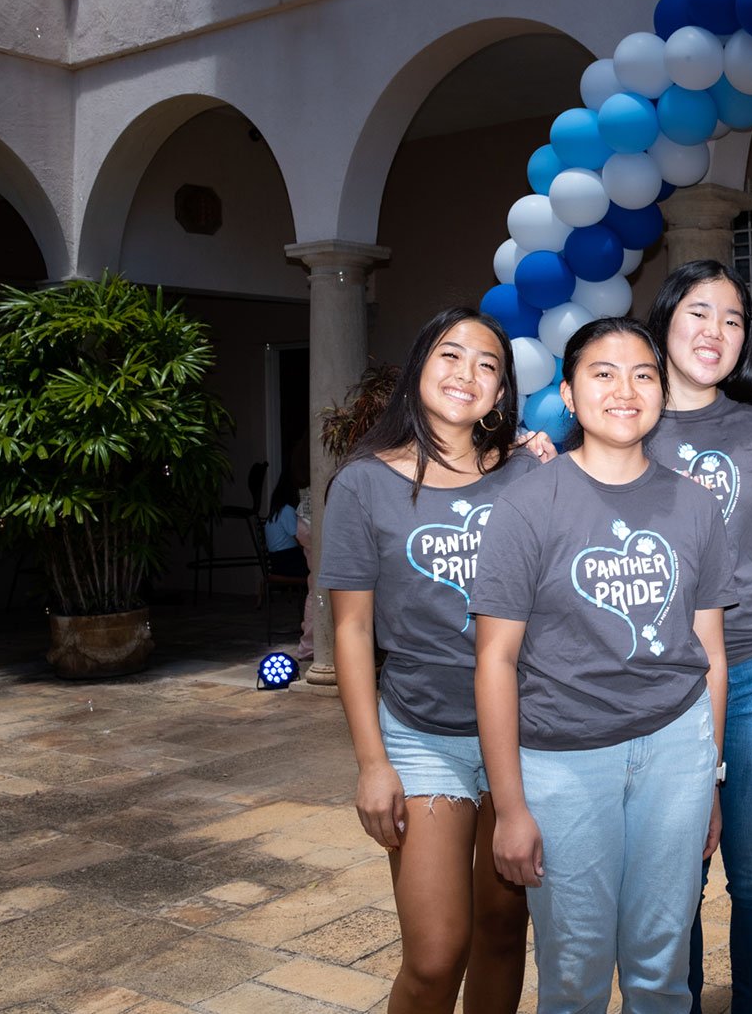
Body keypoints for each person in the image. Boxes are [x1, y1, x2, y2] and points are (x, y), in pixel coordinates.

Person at [470, 316, 735, 1014]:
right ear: (568, 392)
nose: (626, 389)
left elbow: (710, 652)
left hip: (677, 750)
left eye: (643, 374)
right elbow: (494, 661)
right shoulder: (526, 505)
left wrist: (709, 777)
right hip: (563, 761)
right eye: (603, 373)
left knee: (661, 969)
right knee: (575, 975)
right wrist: (511, 806)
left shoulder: (697, 503)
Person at [317, 306, 534, 1014]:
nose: (467, 373)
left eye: (487, 363)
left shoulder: (530, 474)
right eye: (450, 355)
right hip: (422, 734)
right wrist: (372, 762)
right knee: (438, 953)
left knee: (504, 932)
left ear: (501, 393)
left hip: (526, 736)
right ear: (418, 370)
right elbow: (351, 630)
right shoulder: (363, 484)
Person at [642, 261, 752, 1013]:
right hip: (662, 681)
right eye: (699, 313)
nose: (716, 332)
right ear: (667, 319)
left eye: (733, 318)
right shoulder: (624, 418)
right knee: (673, 870)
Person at [264, 472, 309, 578]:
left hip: (277, 560)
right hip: (286, 561)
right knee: (316, 564)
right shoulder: (286, 510)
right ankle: (320, 594)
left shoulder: (276, 512)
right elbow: (300, 539)